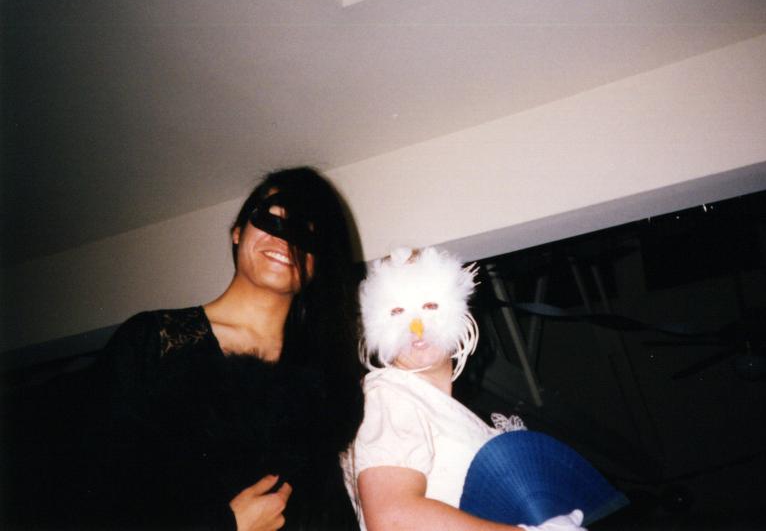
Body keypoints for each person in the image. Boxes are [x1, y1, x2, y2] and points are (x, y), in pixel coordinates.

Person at [85, 167, 364, 530]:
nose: (286, 241)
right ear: (237, 231)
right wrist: (226, 525)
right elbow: (96, 491)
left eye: (308, 234)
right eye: (273, 220)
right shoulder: (152, 341)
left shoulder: (325, 378)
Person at [343, 247, 584, 531]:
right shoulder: (389, 393)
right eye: (396, 312)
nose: (417, 327)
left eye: (430, 306)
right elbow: (392, 519)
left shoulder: (446, 412)